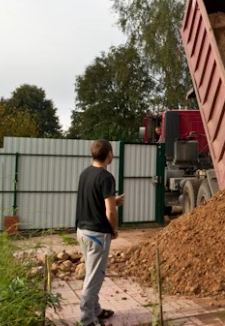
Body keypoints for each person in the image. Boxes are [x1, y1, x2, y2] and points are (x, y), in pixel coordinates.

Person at [75, 139, 124, 326]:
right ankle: (87, 320)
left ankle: (96, 310)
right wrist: (114, 229)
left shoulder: (85, 174)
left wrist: (114, 199)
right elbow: (110, 211)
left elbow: (92, 200)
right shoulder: (106, 177)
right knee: (94, 278)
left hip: (83, 231)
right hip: (97, 235)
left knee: (91, 274)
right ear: (109, 154)